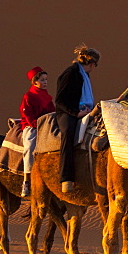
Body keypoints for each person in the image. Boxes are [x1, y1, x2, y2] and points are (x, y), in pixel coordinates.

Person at [55, 45, 100, 192]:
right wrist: (75, 113)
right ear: (92, 63)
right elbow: (60, 100)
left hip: (84, 110)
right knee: (68, 133)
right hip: (67, 113)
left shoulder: (84, 75)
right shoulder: (70, 73)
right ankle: (66, 178)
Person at [19, 66, 55, 198]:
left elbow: (52, 112)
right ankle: (26, 181)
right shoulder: (28, 96)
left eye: (46, 80)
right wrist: (38, 126)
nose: (45, 82)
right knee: (30, 147)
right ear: (35, 82)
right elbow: (28, 115)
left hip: (47, 125)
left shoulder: (47, 96)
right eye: (42, 80)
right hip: (32, 127)